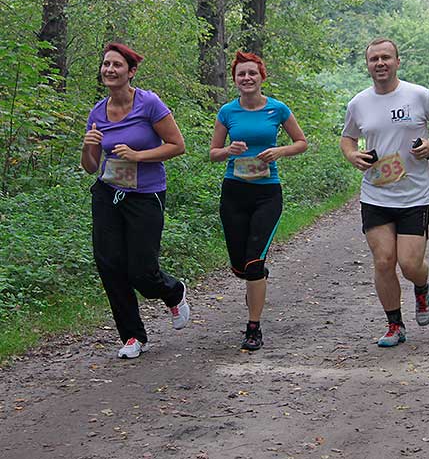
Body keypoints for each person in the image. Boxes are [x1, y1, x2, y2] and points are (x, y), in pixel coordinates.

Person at [340, 38, 429, 347]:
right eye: (373, 59)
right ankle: (394, 325)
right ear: (367, 65)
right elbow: (347, 139)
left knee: (409, 264)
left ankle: (422, 286)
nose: (380, 63)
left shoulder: (418, 95)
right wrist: (352, 155)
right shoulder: (359, 103)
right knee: (383, 261)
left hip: (414, 196)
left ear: (397, 62)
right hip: (375, 194)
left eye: (386, 58)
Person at [81, 42, 190, 359]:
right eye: (105, 65)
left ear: (130, 71)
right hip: (107, 192)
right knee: (109, 264)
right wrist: (88, 146)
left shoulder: (149, 103)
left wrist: (139, 155)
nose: (109, 70)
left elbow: (177, 145)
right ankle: (132, 337)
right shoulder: (97, 112)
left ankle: (173, 291)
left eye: (116, 65)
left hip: (146, 194)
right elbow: (90, 166)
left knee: (141, 270)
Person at [210, 51, 308, 351]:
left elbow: (301, 143)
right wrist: (229, 150)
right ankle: (255, 276)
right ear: (235, 79)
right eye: (241, 74)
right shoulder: (228, 112)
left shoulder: (277, 109)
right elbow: (213, 152)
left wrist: (279, 151)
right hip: (234, 193)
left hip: (267, 193)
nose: (247, 78)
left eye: (252, 73)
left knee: (253, 263)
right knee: (240, 266)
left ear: (261, 76)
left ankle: (253, 328)